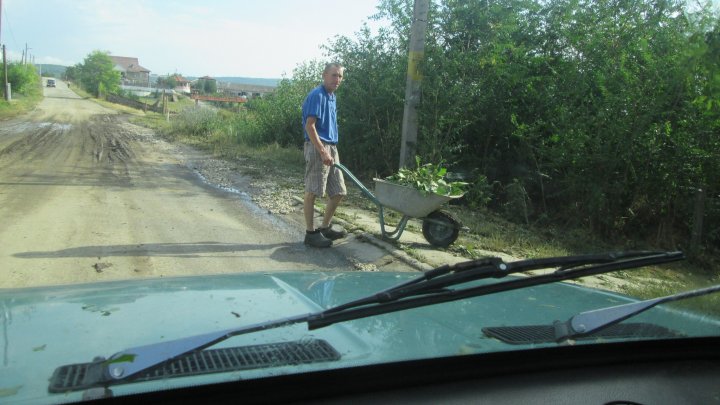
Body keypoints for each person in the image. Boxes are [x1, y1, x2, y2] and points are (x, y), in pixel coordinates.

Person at [302, 62, 347, 248]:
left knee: (338, 191)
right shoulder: (317, 95)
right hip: (317, 146)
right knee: (313, 191)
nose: (337, 79)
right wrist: (322, 151)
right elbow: (310, 126)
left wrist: (330, 151)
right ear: (324, 75)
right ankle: (310, 234)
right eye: (334, 75)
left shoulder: (331, 96)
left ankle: (325, 228)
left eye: (340, 76)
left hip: (331, 147)